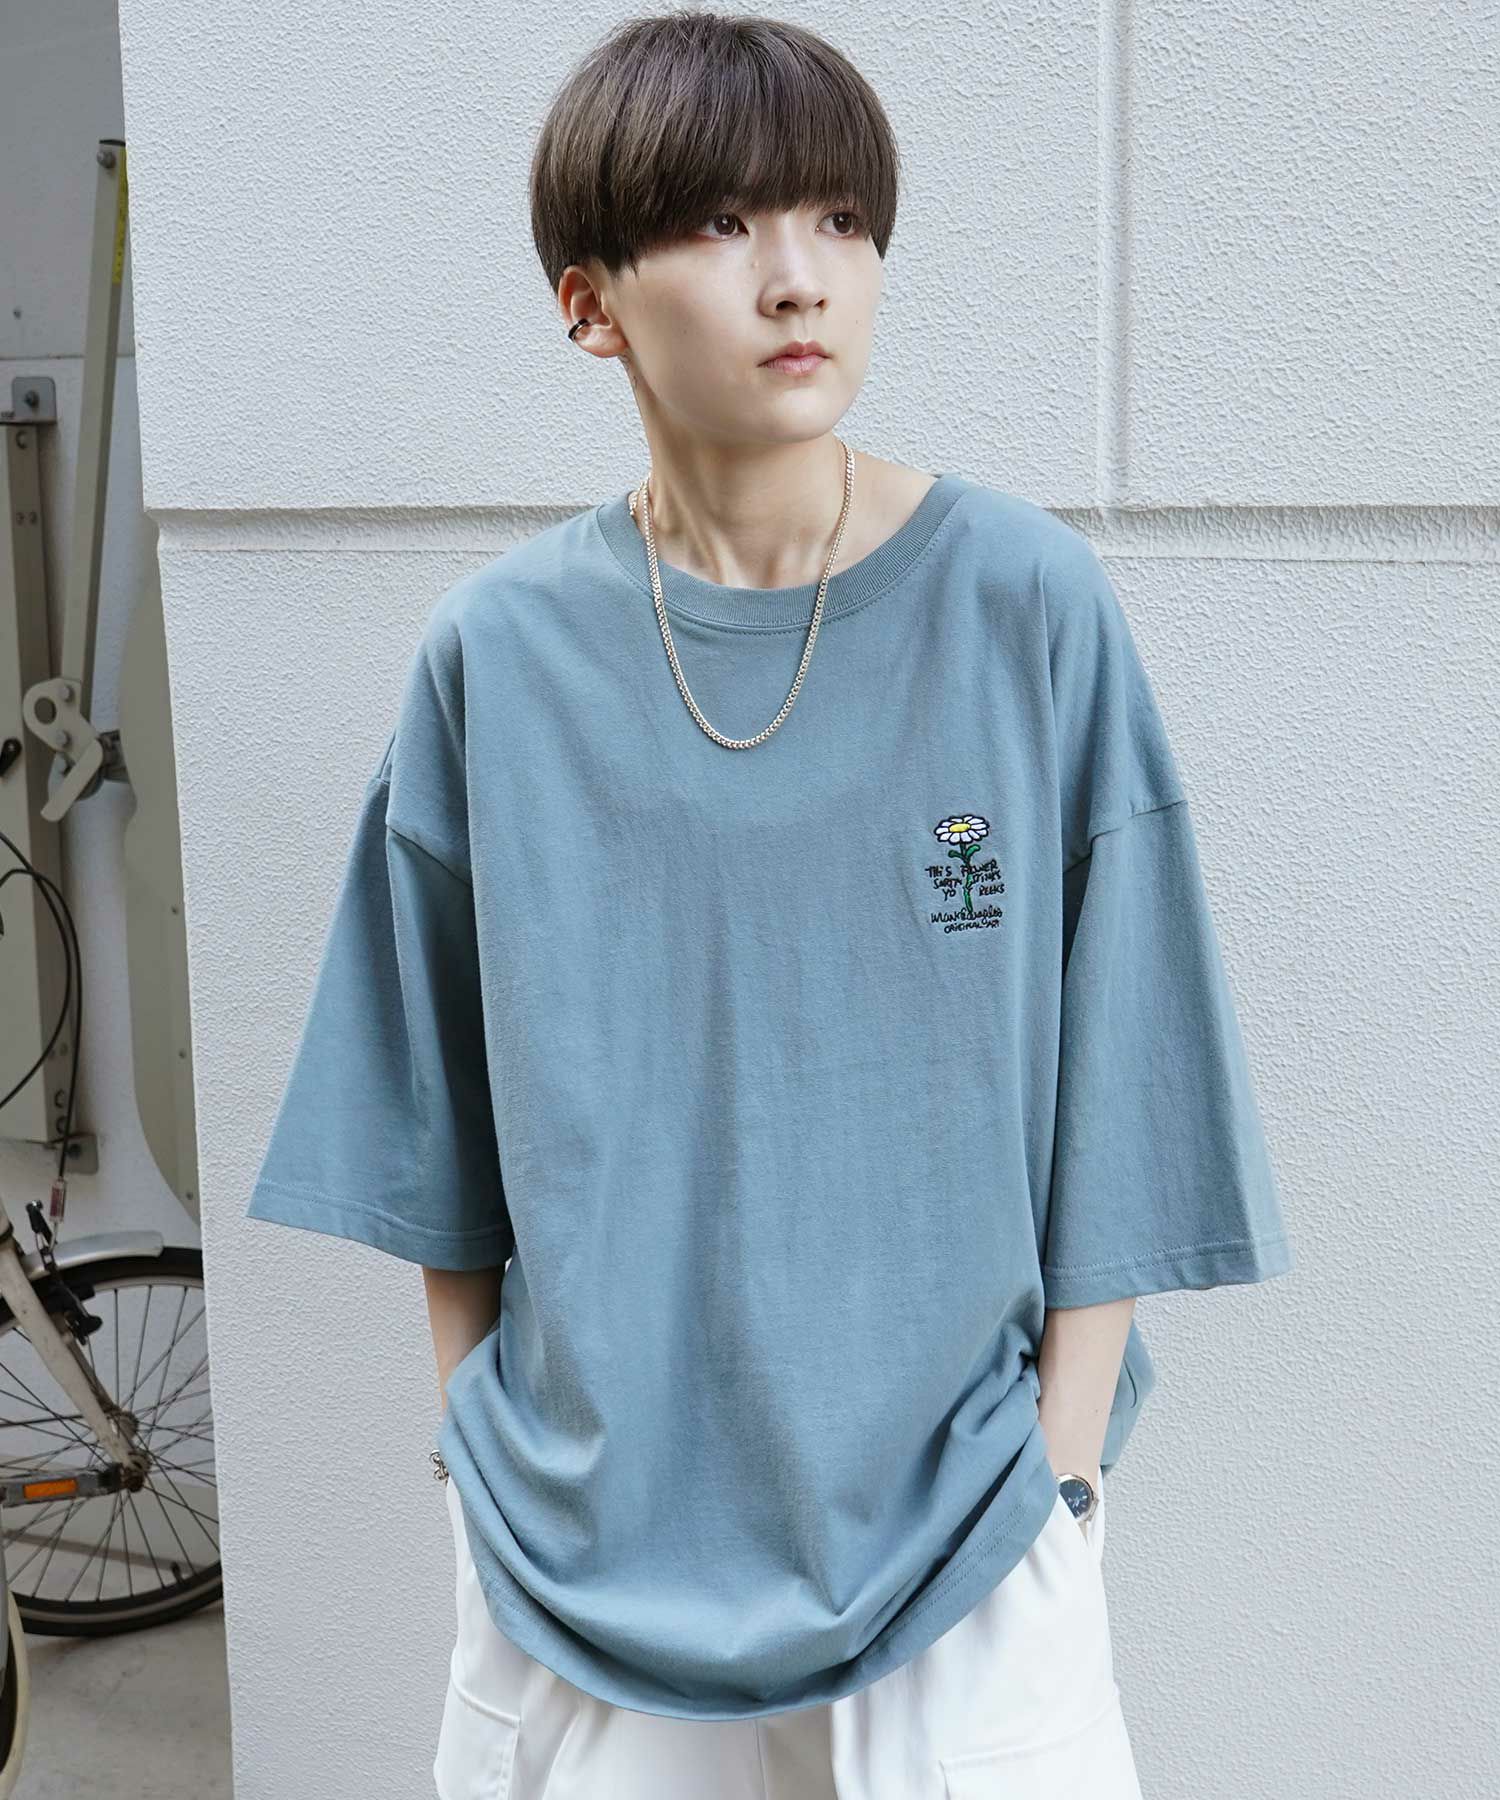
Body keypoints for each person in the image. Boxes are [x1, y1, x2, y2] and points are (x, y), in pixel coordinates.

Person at [244, 9, 1294, 1796]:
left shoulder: (1024, 606)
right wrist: (476, 1452)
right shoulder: (500, 657)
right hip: (587, 1557)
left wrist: (1058, 1465)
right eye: (723, 225)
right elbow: (430, 1124)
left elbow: (1135, 1076)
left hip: (970, 1531)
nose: (799, 277)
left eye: (841, 220)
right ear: (590, 304)